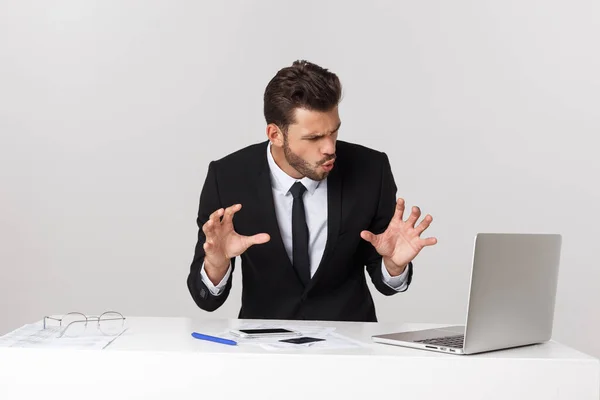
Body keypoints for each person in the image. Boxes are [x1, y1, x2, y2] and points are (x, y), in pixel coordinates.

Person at [187, 60, 437, 322]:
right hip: (263, 347)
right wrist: (216, 264)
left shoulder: (371, 170)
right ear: (275, 134)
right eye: (314, 138)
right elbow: (206, 299)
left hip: (350, 346)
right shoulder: (227, 177)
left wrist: (394, 266)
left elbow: (384, 280)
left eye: (334, 132)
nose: (330, 148)